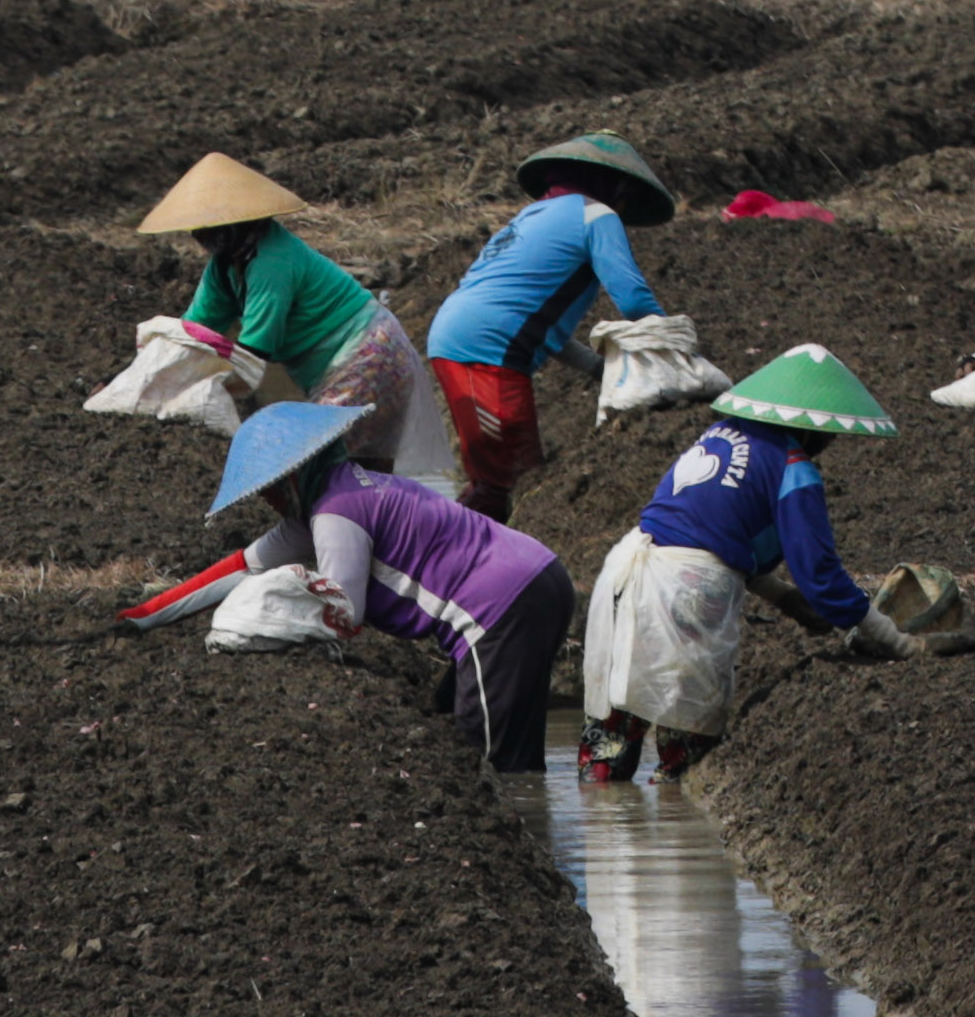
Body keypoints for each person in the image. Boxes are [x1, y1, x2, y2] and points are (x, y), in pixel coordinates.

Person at [581, 347, 906, 784]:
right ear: (809, 428)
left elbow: (707, 529)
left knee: (613, 730)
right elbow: (821, 576)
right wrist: (894, 639)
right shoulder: (793, 464)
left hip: (627, 569)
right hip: (685, 592)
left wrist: (782, 597)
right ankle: (677, 835)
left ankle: (603, 835)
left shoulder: (721, 433)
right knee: (686, 737)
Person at [215, 398, 576, 774]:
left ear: (293, 476)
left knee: (488, 763)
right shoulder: (357, 489)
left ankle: (530, 823)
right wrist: (153, 612)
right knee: (476, 727)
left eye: (269, 491)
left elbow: (344, 610)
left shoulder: (334, 512)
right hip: (538, 574)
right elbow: (246, 564)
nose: (268, 503)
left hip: (499, 605)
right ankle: (537, 818)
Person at [145, 153, 450, 488]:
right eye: (199, 227)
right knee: (356, 475)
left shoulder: (272, 261)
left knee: (331, 468)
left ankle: (380, 533)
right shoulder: (224, 267)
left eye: (211, 226)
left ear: (238, 221)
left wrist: (196, 391)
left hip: (366, 356)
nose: (202, 236)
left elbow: (253, 354)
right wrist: (141, 375)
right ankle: (371, 532)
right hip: (343, 363)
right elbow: (195, 330)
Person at [424, 133, 677, 522]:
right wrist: (673, 353)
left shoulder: (533, 216)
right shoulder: (598, 215)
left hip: (460, 336)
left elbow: (541, 326)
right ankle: (446, 560)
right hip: (486, 350)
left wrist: (600, 368)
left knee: (500, 471)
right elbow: (633, 299)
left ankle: (471, 555)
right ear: (617, 186)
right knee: (509, 479)